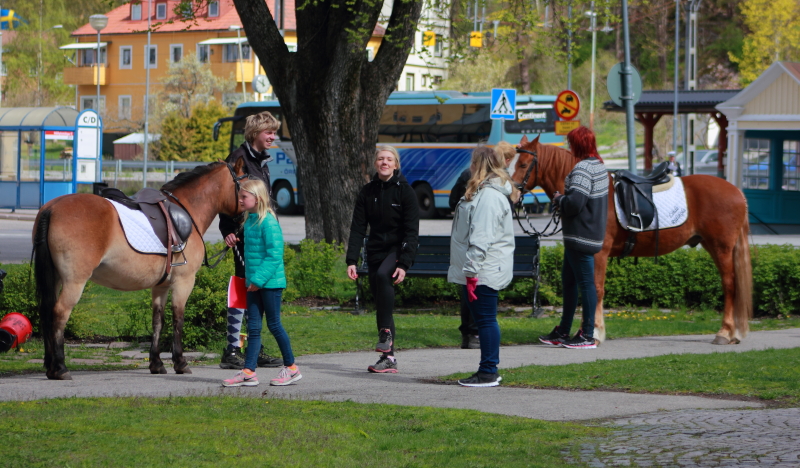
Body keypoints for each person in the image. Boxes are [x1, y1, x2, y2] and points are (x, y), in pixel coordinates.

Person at [346, 145, 419, 374]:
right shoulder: (367, 192)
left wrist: (405, 263)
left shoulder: (405, 192)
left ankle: (385, 333)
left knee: (381, 275)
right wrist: (352, 260)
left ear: (396, 165)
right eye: (380, 159)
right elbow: (358, 228)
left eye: (389, 159)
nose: (384, 162)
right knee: (382, 304)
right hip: (375, 251)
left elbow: (411, 231)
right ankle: (389, 358)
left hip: (397, 250)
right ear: (375, 164)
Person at [448, 146, 517, 387]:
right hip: (482, 269)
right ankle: (488, 370)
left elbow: (481, 238)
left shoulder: (488, 196)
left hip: (484, 270)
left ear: (478, 165)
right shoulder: (484, 191)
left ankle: (488, 371)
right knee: (485, 319)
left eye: (472, 162)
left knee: (486, 320)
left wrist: (471, 272)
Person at [219, 112, 283, 370]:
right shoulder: (238, 160)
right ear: (255, 132)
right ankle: (232, 349)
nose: (273, 137)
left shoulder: (261, 162)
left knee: (255, 290)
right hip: (243, 236)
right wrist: (227, 230)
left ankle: (254, 348)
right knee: (242, 289)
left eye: (274, 132)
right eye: (269, 132)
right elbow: (227, 198)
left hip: (258, 233)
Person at [222, 179, 301, 387]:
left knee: (274, 325)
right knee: (254, 328)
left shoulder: (268, 221)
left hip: (270, 283)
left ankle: (291, 368)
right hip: (254, 284)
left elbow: (275, 255)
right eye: (240, 196)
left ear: (257, 199)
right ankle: (248, 372)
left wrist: (257, 280)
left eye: (244, 197)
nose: (240, 200)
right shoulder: (249, 220)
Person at [539, 126, 608, 349]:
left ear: (577, 145)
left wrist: (559, 199)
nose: (569, 147)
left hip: (580, 236)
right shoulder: (599, 166)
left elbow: (575, 203)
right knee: (569, 283)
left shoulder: (583, 169)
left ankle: (587, 335)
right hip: (586, 235)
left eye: (571, 143)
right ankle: (562, 331)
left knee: (586, 285)